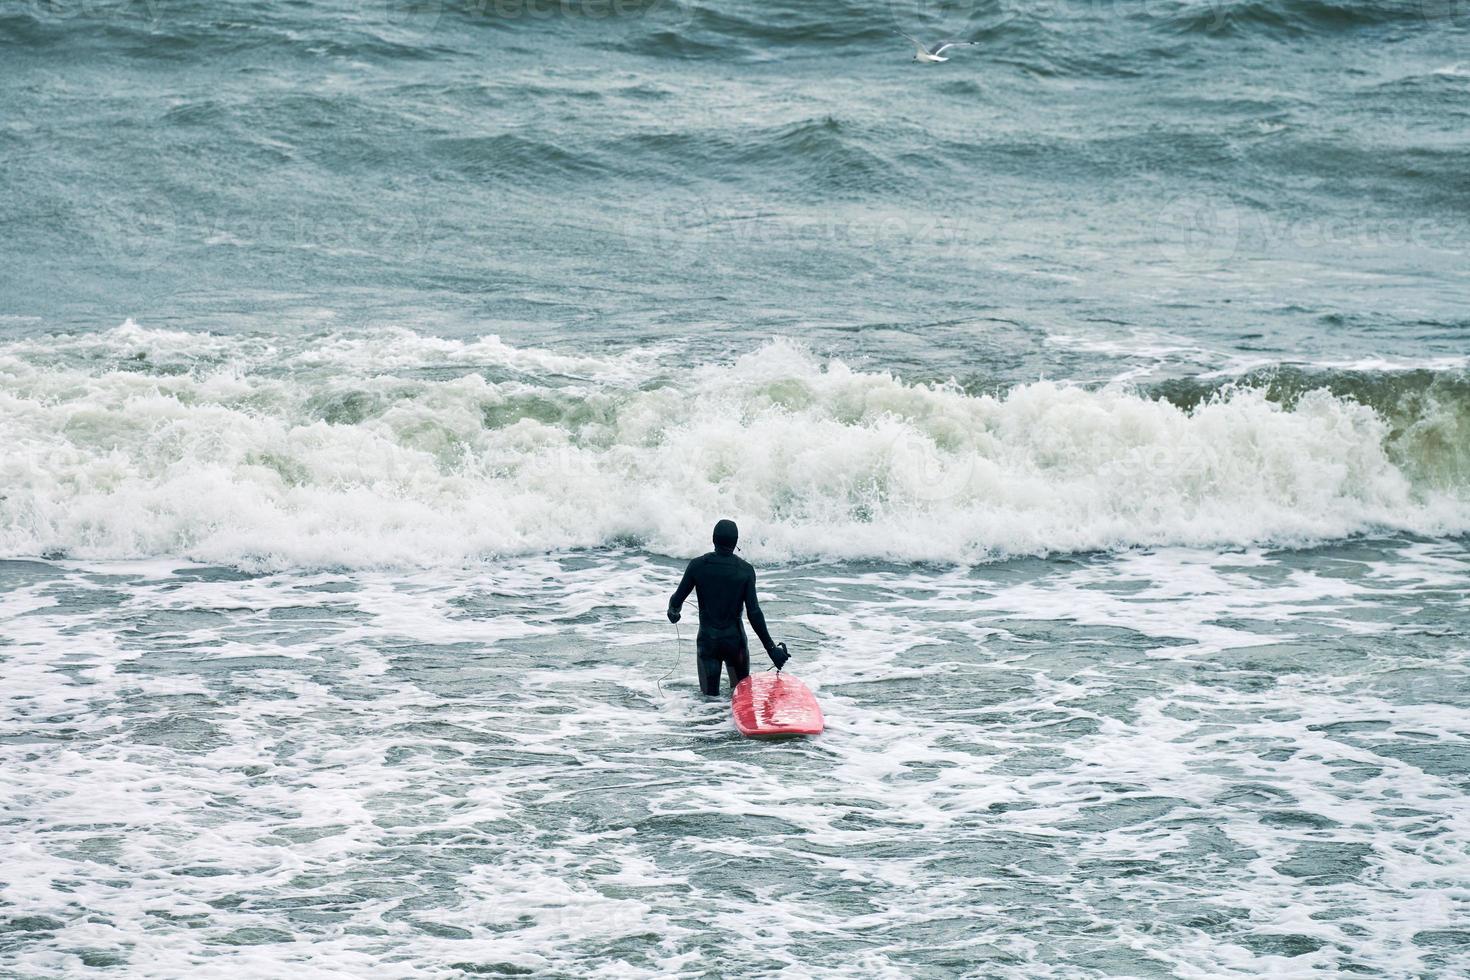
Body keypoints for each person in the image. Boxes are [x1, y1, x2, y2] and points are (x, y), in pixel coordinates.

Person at [667, 519, 790, 696]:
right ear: (735, 542)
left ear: (713, 539)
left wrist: (673, 612)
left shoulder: (697, 566)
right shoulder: (745, 570)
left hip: (708, 644)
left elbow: (676, 601)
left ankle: (708, 723)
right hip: (736, 644)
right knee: (740, 698)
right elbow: (754, 613)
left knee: (708, 702)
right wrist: (771, 649)